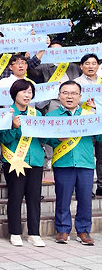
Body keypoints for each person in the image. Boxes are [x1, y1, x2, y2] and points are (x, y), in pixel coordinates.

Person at [44, 80, 101, 245]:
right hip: (63, 162)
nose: (70, 96)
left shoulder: (90, 115)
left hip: (86, 162)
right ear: (59, 95)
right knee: (62, 197)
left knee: (85, 198)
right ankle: (62, 230)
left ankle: (83, 231)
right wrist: (56, 139)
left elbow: (100, 137)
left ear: (80, 96)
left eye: (74, 93)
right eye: (66, 93)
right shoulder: (51, 116)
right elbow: (44, 137)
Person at [0, 79, 46, 247]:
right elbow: (3, 138)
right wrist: (14, 126)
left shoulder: (36, 114)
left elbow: (42, 136)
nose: (27, 95)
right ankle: (15, 232)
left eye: (30, 92)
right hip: (15, 160)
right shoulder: (7, 113)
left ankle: (34, 233)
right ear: (14, 94)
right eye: (24, 92)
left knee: (34, 198)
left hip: (36, 160)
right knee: (16, 196)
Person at [74, 54, 102, 196]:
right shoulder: (76, 83)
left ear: (98, 65)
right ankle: (86, 188)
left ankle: (100, 186)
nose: (90, 66)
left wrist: (97, 107)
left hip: (100, 123)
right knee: (86, 156)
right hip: (83, 123)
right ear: (81, 66)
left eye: (93, 63)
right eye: (87, 63)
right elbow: (70, 101)